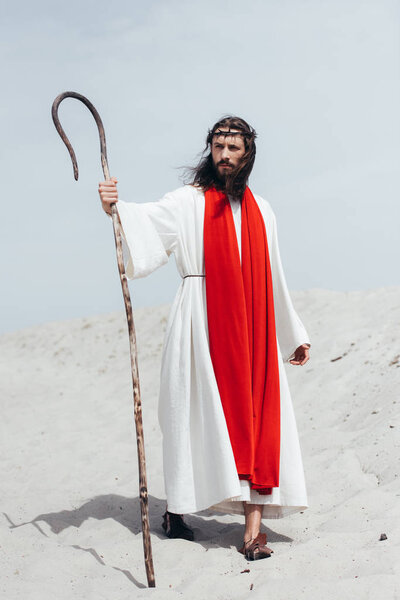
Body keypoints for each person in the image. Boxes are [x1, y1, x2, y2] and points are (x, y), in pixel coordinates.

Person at [98, 116, 310, 561]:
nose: (225, 156)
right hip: (199, 318)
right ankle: (178, 510)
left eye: (234, 149)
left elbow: (275, 273)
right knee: (187, 415)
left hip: (253, 322)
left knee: (257, 419)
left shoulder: (263, 210)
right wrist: (115, 207)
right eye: (218, 147)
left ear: (248, 154)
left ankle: (252, 533)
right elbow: (146, 222)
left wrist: (292, 333)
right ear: (209, 150)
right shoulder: (188, 202)